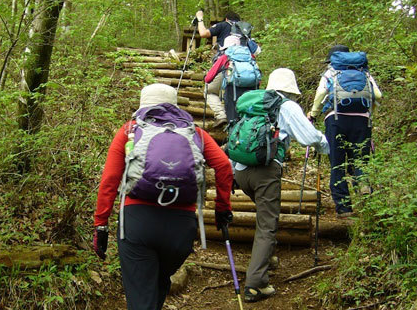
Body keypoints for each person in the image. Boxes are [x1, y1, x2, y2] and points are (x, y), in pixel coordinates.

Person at [92, 83, 234, 310]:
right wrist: (222, 207)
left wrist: (101, 224)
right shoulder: (196, 133)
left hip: (137, 223)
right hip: (181, 228)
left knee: (142, 296)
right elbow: (224, 166)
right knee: (158, 283)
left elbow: (109, 180)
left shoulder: (129, 131)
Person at [233, 68, 329, 302]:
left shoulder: (254, 102)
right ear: (290, 89)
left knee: (264, 217)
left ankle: (268, 257)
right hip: (265, 172)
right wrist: (325, 145)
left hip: (241, 171)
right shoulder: (285, 106)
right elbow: (309, 137)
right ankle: (255, 285)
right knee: (267, 225)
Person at [307, 45, 383, 218]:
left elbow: (320, 95)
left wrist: (313, 114)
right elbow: (378, 96)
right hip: (362, 121)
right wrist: (369, 114)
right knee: (360, 161)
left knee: (337, 163)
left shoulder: (331, 72)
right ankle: (364, 193)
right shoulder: (364, 73)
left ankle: (344, 208)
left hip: (336, 120)